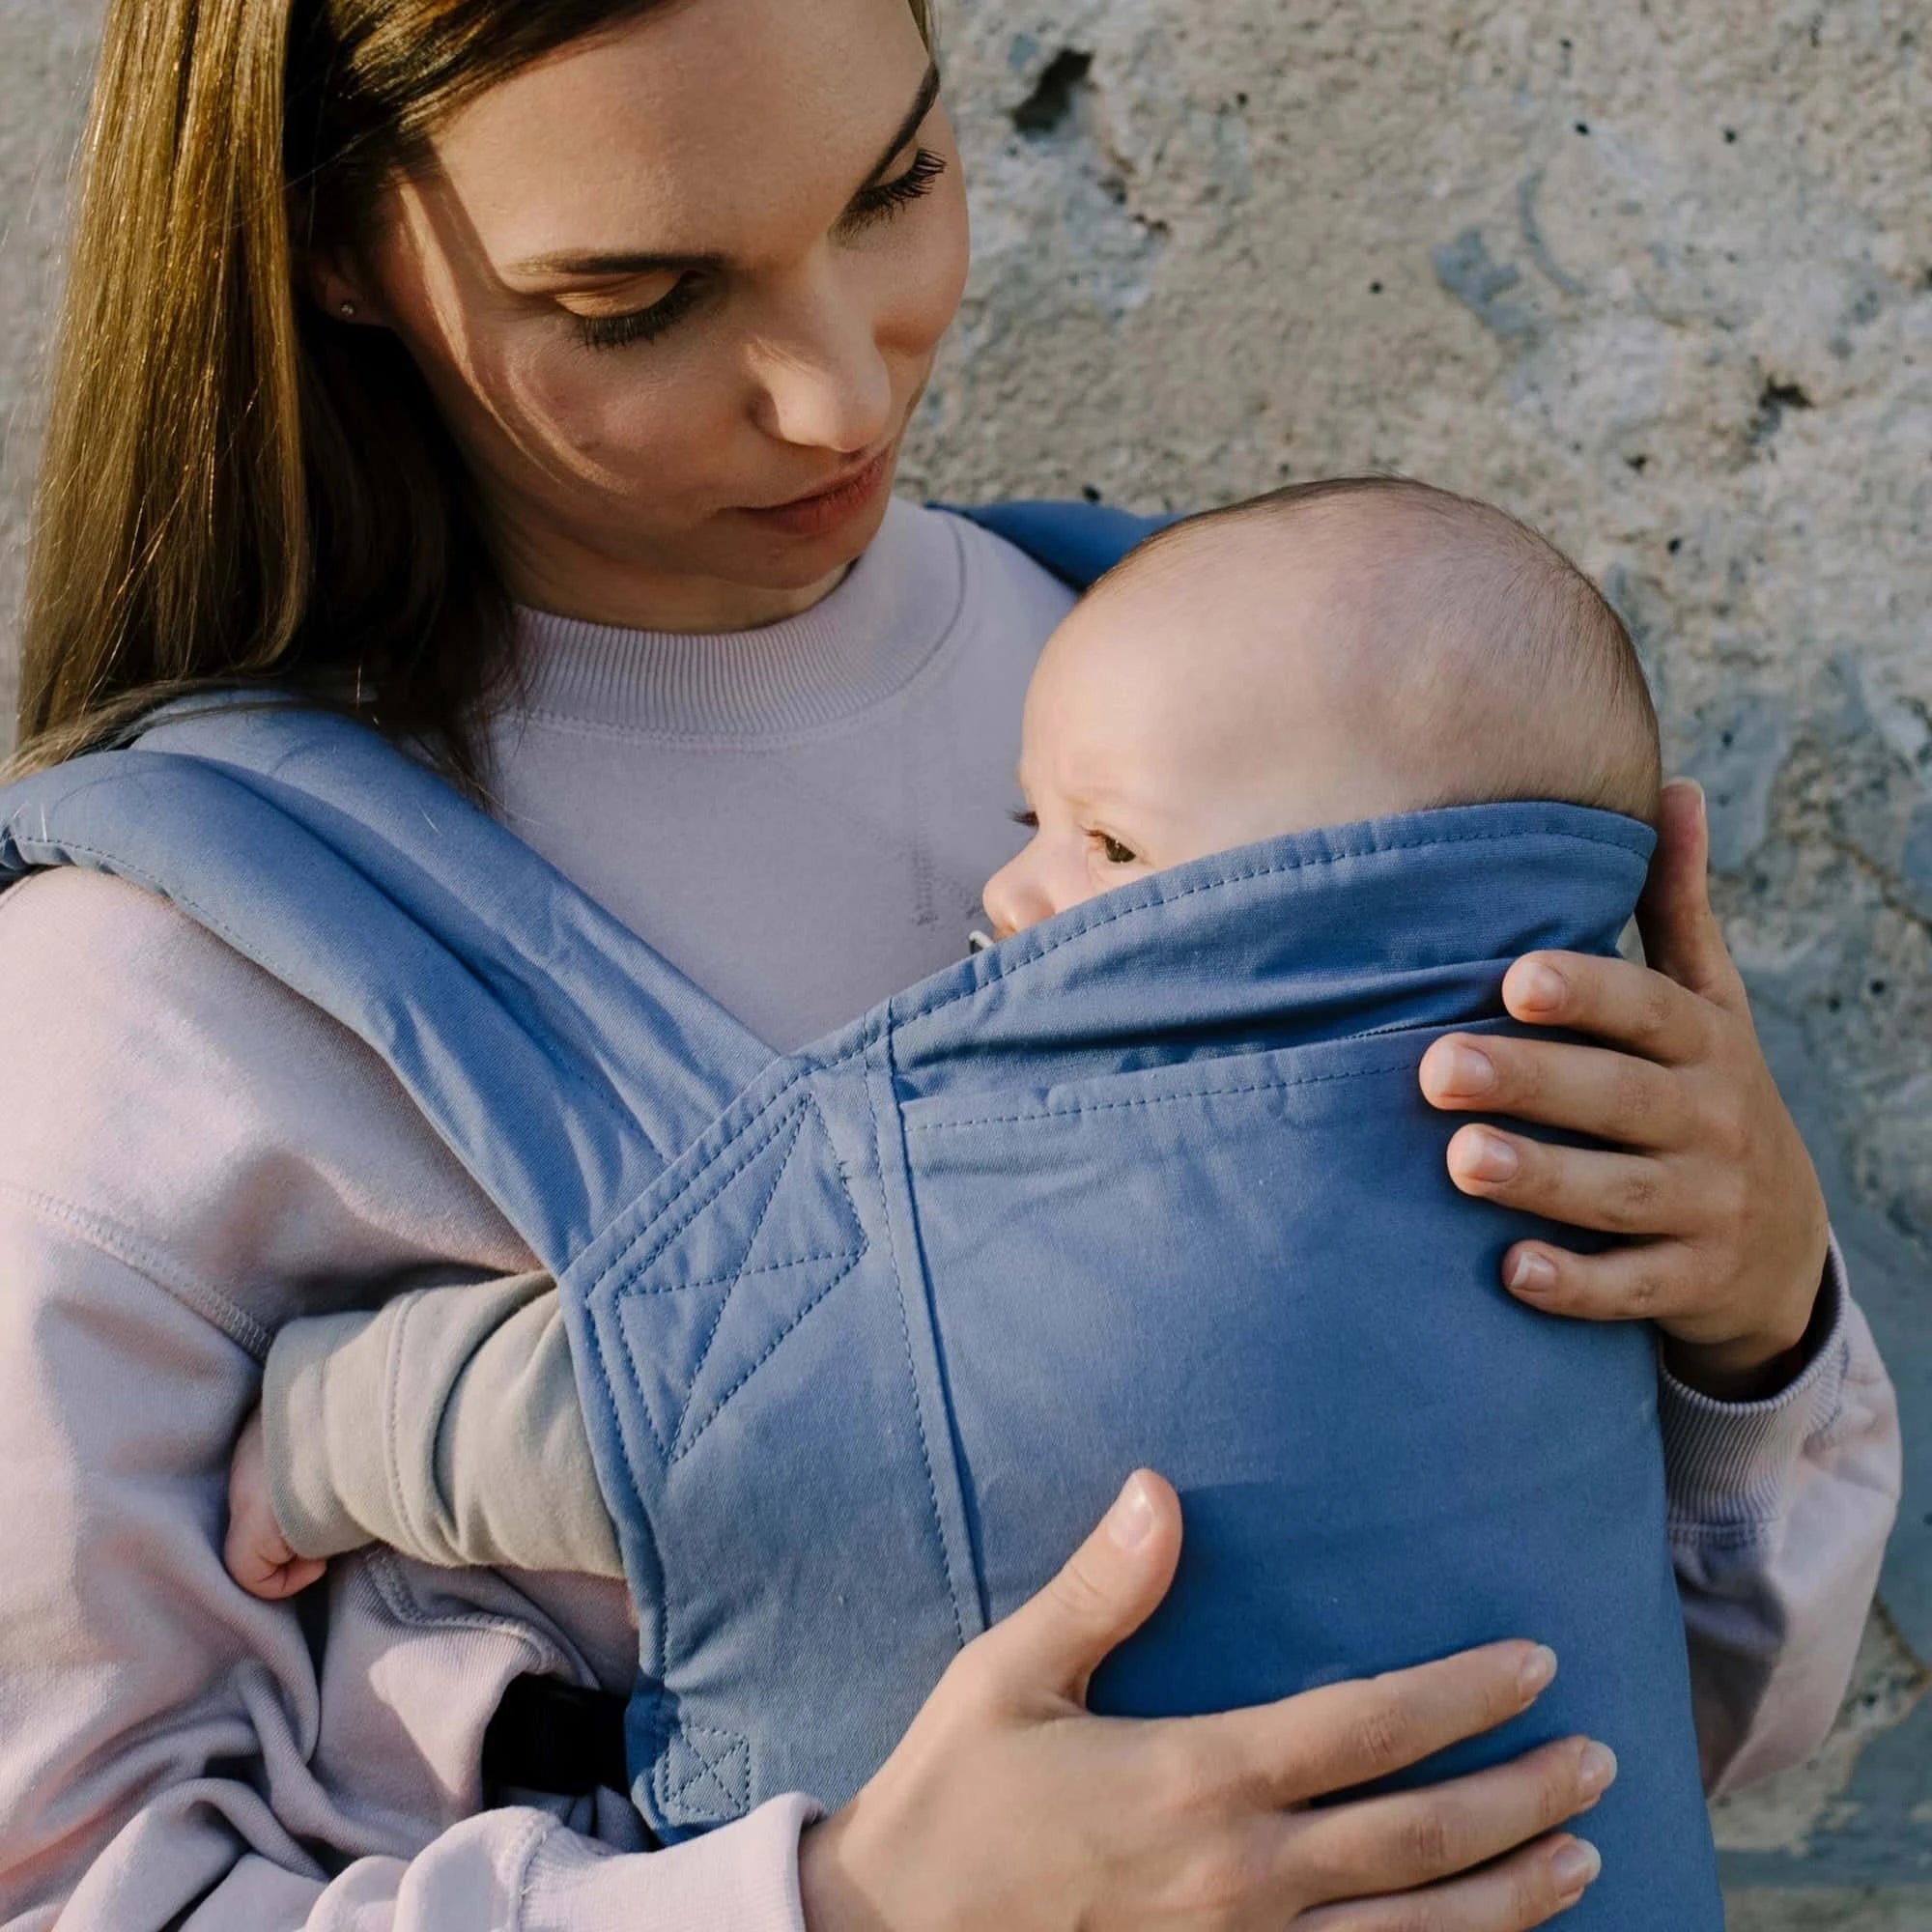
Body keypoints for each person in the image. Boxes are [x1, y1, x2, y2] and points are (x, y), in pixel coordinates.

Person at [0, 1, 1899, 1928]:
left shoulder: (1327, 726)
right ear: (327, 244)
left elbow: (1695, 1726)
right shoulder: (155, 988)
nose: (836, 395)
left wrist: (1753, 1330)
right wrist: (843, 1902)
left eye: (898, 181)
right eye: (639, 298)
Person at [223, 476, 1670, 1600]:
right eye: (1024, 821)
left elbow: (738, 1422)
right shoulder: (1576, 1185)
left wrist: (335, 1433)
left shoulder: (1147, 1204)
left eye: (1106, 844)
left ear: (1369, 899)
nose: (1012, 890)